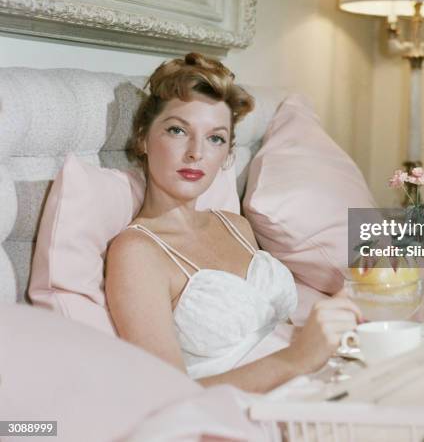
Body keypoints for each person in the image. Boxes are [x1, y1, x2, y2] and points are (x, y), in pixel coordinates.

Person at [105, 52, 362, 393]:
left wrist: (338, 317)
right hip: (252, 414)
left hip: (322, 385)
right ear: (143, 138)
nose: (196, 152)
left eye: (215, 138)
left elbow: (269, 333)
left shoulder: (234, 226)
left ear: (227, 153)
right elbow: (167, 394)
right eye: (178, 130)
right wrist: (297, 358)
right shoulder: (137, 252)